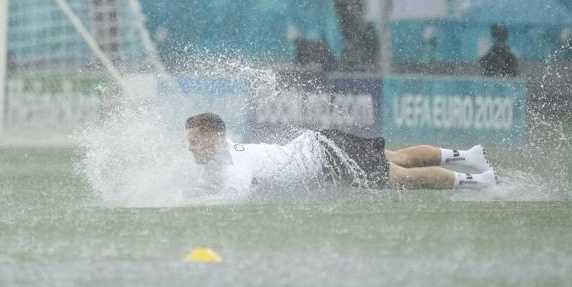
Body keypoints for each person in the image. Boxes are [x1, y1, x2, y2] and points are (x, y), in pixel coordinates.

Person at [185, 112, 496, 197]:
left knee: (405, 178)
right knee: (399, 158)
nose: (191, 147)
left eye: (197, 141)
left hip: (329, 157)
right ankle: (469, 156)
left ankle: (478, 182)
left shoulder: (237, 161)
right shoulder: (224, 153)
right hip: (322, 144)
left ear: (217, 138)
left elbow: (234, 194)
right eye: (190, 142)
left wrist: (194, 203)